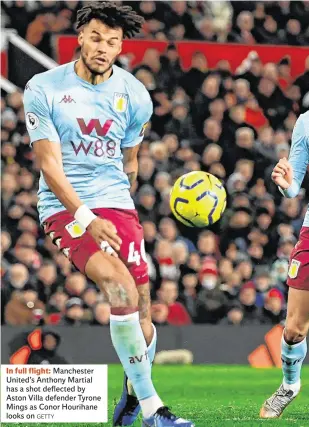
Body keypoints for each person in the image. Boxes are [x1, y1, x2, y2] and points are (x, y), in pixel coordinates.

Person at [23, 3, 193, 427]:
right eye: (96, 37)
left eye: (112, 41)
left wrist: (119, 210)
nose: (103, 47)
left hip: (116, 204)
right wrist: (87, 215)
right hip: (66, 206)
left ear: (121, 46)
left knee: (143, 315)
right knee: (118, 288)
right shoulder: (43, 88)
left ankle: (132, 396)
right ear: (80, 37)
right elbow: (49, 166)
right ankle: (156, 409)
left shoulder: (135, 94)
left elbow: (130, 162)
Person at [260, 111, 309, 418]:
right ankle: (290, 385)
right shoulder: (306, 121)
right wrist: (284, 183)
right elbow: (294, 185)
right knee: (293, 329)